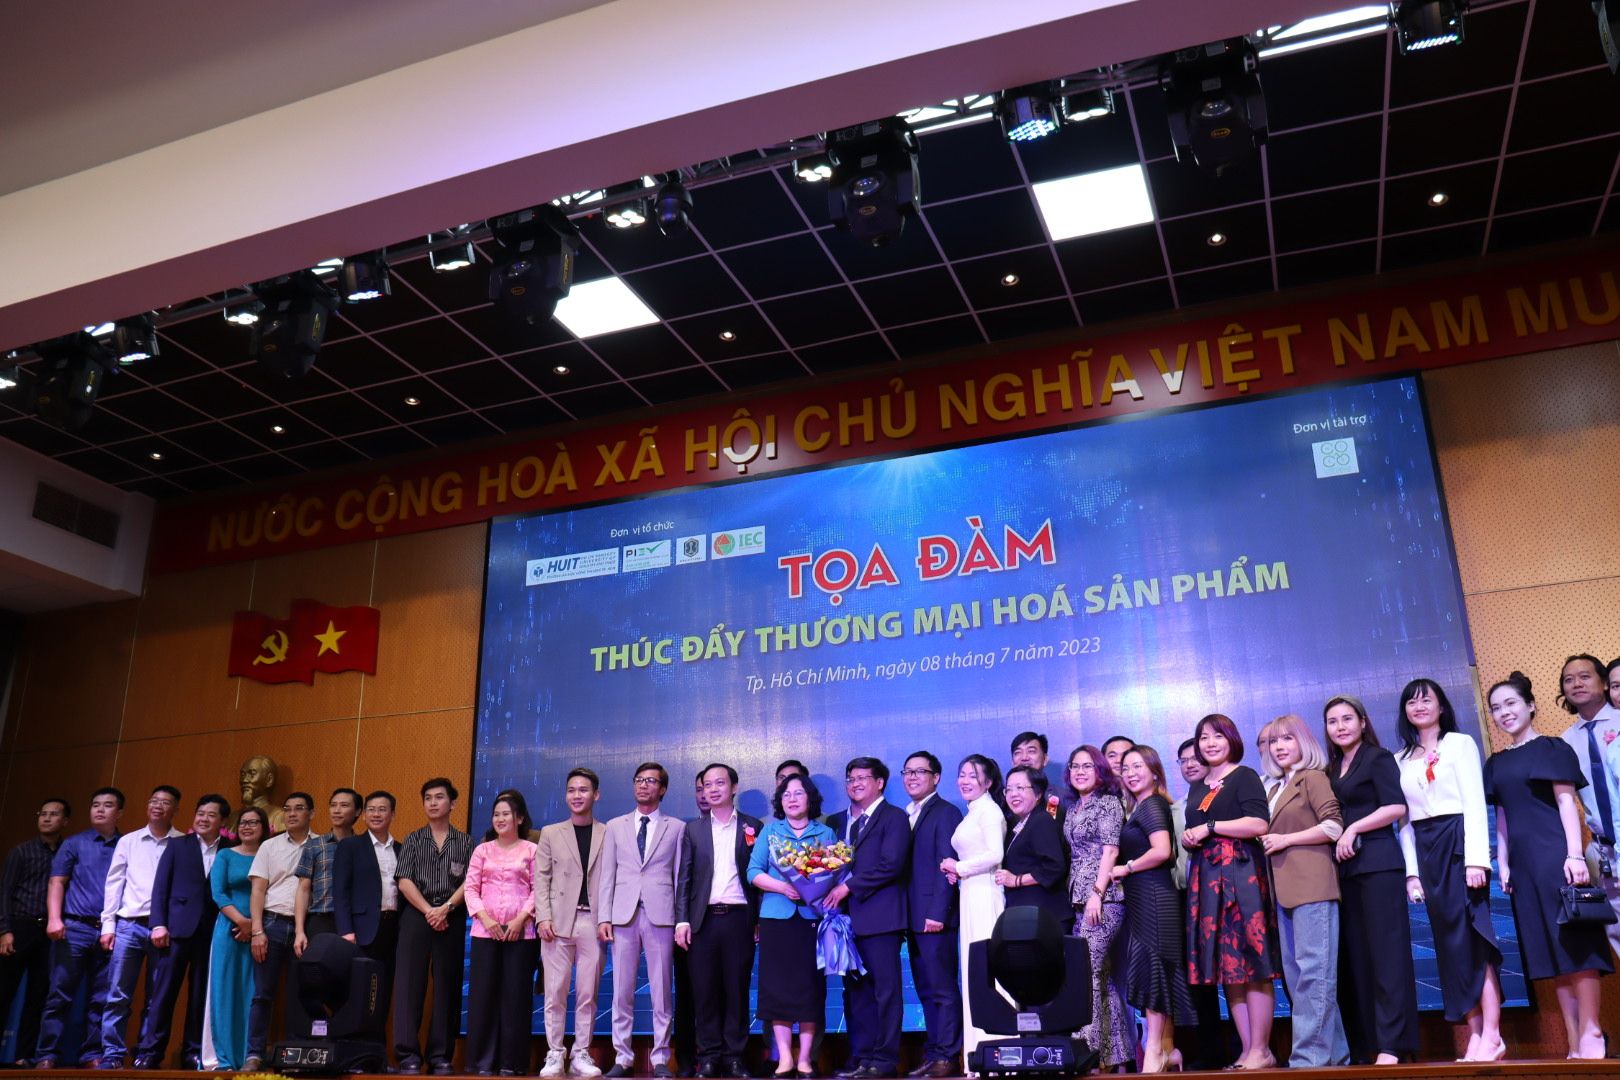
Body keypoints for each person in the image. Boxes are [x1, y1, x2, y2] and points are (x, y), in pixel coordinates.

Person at [1486, 671, 1611, 1058]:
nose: (1504, 712)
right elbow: (1503, 816)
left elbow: (1566, 802)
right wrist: (1502, 862)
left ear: (1530, 705)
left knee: (1578, 947)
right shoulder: (1496, 762)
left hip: (1556, 857)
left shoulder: (1552, 747)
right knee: (1552, 954)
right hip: (1523, 867)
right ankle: (1573, 1040)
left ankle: (1592, 1031)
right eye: (1496, 708)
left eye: (1511, 703)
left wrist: (1574, 855)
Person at [1395, 678, 1504, 1062]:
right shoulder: (1400, 758)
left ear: (1441, 706)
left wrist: (1477, 859)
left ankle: (1493, 1033)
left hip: (1458, 844)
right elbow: (1404, 821)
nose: (1419, 706)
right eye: (1412, 702)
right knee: (1449, 945)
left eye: (1427, 700)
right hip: (1426, 851)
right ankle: (1474, 1033)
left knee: (1474, 939)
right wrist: (1411, 872)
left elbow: (1474, 802)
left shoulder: (1460, 744)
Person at [1322, 694, 1418, 1065]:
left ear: (1363, 722)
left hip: (1378, 864)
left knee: (1387, 956)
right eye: (1333, 721)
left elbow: (1395, 807)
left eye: (1347, 718)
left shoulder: (1377, 758)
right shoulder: (1331, 769)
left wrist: (1354, 828)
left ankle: (1393, 1044)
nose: (1340, 726)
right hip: (1346, 871)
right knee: (1358, 960)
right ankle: (1368, 1044)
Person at [1181, 713, 1277, 1071]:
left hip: (1240, 873)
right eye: (1203, 737)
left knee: (1252, 963)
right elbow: (1197, 829)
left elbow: (1258, 823)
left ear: (1231, 739)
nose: (1209, 743)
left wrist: (1210, 827)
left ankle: (1262, 1049)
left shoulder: (1244, 776)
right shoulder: (1199, 785)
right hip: (1207, 878)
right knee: (1228, 968)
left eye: (1217, 736)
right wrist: (1190, 837)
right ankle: (1249, 1050)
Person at [1255, 716, 1349, 1068]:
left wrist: (1286, 839)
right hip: (1283, 891)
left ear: (1303, 742)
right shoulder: (1273, 787)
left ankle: (1308, 1061)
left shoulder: (1313, 777)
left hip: (1312, 886)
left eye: (1287, 739)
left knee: (1314, 975)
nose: (1279, 747)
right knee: (1300, 979)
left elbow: (1333, 826)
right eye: (1273, 742)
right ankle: (1335, 1058)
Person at [824, 757, 910, 1080]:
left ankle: (884, 1060)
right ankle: (861, 1056)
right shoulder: (841, 822)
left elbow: (891, 864)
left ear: (880, 783)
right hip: (847, 921)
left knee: (885, 992)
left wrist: (848, 887)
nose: (855, 784)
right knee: (856, 992)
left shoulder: (894, 817)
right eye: (850, 779)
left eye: (862, 778)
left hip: (881, 919)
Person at [675, 763, 762, 1079]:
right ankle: (709, 1056)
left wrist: (759, 920)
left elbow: (758, 877)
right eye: (707, 785)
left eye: (719, 783)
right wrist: (681, 921)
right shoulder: (693, 830)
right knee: (705, 991)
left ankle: (734, 1056)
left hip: (739, 918)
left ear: (733, 787)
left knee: (737, 989)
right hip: (703, 921)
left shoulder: (753, 827)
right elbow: (684, 878)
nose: (712, 790)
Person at [598, 762, 682, 1079]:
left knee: (661, 992)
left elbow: (679, 877)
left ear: (663, 789)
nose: (643, 785)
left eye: (650, 781)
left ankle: (660, 1058)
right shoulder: (615, 826)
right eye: (639, 780)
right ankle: (623, 1057)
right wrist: (604, 916)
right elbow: (607, 875)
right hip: (623, 915)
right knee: (621, 991)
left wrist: (680, 919)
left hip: (661, 915)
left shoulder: (676, 827)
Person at [749, 773, 835, 1078]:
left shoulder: (825, 833)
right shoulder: (771, 832)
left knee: (810, 989)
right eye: (786, 795)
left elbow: (834, 873)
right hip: (776, 920)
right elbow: (753, 872)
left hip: (812, 919)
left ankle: (805, 1059)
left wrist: (815, 886)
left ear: (810, 798)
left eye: (798, 793)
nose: (792, 799)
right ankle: (785, 1058)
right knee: (778, 990)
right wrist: (782, 887)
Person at [1111, 747, 1191, 1074]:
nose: (1130, 774)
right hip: (1144, 897)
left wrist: (1127, 867)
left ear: (1155, 771)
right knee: (1151, 970)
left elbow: (1162, 851)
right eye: (1126, 768)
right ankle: (1167, 1050)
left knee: (1153, 969)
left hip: (1155, 896)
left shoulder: (1152, 805)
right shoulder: (1140, 807)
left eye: (1138, 767)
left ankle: (1156, 1049)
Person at [35, 787, 124, 1069]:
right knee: (59, 994)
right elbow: (57, 881)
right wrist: (54, 918)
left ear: (119, 813)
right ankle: (46, 1054)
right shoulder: (74, 843)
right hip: (74, 928)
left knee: (102, 997)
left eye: (107, 805)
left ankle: (92, 1054)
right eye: (95, 804)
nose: (99, 809)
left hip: (110, 930)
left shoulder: (126, 845)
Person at [394, 777, 475, 1076]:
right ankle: (407, 1055)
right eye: (427, 798)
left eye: (439, 797)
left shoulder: (465, 842)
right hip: (417, 915)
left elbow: (470, 882)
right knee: (409, 985)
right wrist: (430, 910)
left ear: (452, 803)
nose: (432, 802)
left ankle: (441, 1056)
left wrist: (446, 909)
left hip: (451, 916)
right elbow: (404, 881)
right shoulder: (413, 839)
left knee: (447, 986)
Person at [98, 783, 184, 1069]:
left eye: (165, 802)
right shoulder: (129, 841)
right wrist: (108, 925)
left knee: (156, 998)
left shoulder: (183, 843)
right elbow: (114, 884)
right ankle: (112, 1054)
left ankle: (144, 1055)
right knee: (117, 994)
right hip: (129, 925)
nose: (158, 805)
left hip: (165, 929)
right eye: (153, 800)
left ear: (176, 809)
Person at [143, 792, 230, 1070]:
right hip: (176, 930)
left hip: (212, 932)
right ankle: (150, 1052)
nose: (203, 819)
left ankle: (192, 1052)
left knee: (200, 996)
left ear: (223, 821)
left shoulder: (230, 849)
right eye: (200, 813)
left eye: (211, 815)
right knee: (163, 994)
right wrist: (158, 923)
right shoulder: (178, 845)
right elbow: (160, 887)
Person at [535, 768, 607, 1079]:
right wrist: (543, 916)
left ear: (596, 795)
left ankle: (581, 1053)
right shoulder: (551, 832)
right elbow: (541, 878)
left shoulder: (608, 833)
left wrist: (608, 918)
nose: (577, 795)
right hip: (557, 921)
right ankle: (554, 1053)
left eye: (583, 790)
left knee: (588, 993)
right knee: (555, 992)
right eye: (572, 790)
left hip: (594, 921)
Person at [1062, 746, 1129, 1072]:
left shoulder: (1108, 803)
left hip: (1104, 900)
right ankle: (1115, 1056)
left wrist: (1097, 894)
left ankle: (1085, 1054)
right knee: (1101, 977)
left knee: (1087, 973)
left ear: (1100, 770)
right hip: (1078, 899)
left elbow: (1110, 851)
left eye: (1087, 766)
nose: (1079, 772)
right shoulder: (1073, 807)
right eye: (1075, 766)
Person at [466, 789, 539, 1077]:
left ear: (519, 818)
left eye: (506, 814)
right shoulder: (482, 850)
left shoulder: (531, 850)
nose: (500, 818)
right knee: (483, 997)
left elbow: (538, 889)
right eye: (496, 814)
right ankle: (481, 1062)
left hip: (522, 933)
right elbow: (471, 889)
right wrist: (486, 919)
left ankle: (513, 1062)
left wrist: (520, 919)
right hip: (485, 933)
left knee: (516, 998)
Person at [901, 751, 963, 1079]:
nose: (912, 777)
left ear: (936, 777)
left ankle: (948, 1056)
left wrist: (938, 913)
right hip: (913, 918)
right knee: (926, 990)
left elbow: (946, 866)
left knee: (943, 989)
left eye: (919, 772)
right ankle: (934, 1053)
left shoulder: (946, 812)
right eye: (907, 772)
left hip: (934, 919)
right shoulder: (908, 813)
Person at [940, 754, 1005, 1066]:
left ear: (988, 782)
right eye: (962, 774)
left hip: (985, 895)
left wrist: (959, 866)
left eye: (973, 775)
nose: (965, 780)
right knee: (974, 972)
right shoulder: (973, 812)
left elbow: (995, 854)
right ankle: (978, 1056)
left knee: (987, 970)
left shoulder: (989, 811)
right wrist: (957, 871)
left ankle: (998, 1052)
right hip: (970, 893)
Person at [246, 791, 315, 1072]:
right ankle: (254, 1054)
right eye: (287, 809)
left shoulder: (321, 845)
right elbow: (257, 890)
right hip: (271, 924)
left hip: (306, 927)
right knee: (263, 994)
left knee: (301, 993)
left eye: (299, 808)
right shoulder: (269, 846)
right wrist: (257, 931)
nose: (291, 814)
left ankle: (295, 1053)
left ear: (311, 813)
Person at [0, 796, 68, 1067]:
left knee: (38, 996)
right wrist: (5, 930)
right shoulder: (21, 851)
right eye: (43, 813)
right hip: (19, 927)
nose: (46, 818)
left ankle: (23, 1056)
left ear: (65, 821)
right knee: (4, 991)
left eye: (54, 814)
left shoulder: (67, 851)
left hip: (49, 932)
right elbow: (4, 893)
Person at [1561, 654, 1620, 946]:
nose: (1576, 684)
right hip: (1603, 851)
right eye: (1569, 680)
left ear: (1604, 682)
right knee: (1616, 932)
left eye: (1585, 676)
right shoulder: (1565, 743)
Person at [332, 790, 402, 1034]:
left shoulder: (401, 849)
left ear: (393, 814)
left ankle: (377, 1049)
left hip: (393, 929)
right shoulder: (351, 846)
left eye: (382, 809)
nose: (376, 814)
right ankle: (355, 1046)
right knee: (359, 990)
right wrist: (345, 930)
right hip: (361, 930)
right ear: (363, 815)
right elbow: (340, 891)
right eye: (371, 809)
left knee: (384, 990)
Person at [209, 805, 265, 1071]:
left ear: (263, 827)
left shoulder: (268, 854)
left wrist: (254, 927)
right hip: (228, 930)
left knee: (253, 993)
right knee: (225, 992)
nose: (247, 827)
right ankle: (225, 1059)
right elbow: (218, 893)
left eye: (253, 822)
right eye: (243, 822)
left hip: (261, 931)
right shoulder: (226, 855)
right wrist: (242, 922)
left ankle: (249, 1057)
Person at [997, 766, 1069, 931]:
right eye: (1009, 789)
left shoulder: (1042, 820)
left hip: (1044, 916)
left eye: (1020, 788)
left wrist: (1016, 880)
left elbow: (1054, 867)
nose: (1013, 794)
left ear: (1038, 794)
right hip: (1029, 915)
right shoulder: (1022, 823)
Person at [294, 787, 361, 953]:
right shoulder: (315, 845)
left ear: (358, 811)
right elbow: (303, 889)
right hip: (321, 918)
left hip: (355, 921)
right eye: (333, 805)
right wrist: (299, 931)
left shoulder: (363, 846)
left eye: (344, 805)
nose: (337, 810)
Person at [674, 770, 709, 1078]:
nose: (705, 794)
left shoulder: (746, 828)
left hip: (724, 922)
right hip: (687, 925)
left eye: (711, 786)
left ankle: (720, 1057)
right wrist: (681, 920)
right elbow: (680, 879)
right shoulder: (686, 830)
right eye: (700, 788)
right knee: (686, 995)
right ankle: (686, 1059)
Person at [1010, 733, 1065, 816]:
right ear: (1012, 762)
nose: (1024, 757)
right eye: (1018, 752)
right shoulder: (1005, 798)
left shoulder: (1061, 796)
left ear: (1045, 759)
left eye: (1031, 751)